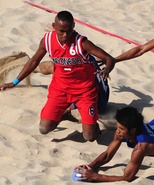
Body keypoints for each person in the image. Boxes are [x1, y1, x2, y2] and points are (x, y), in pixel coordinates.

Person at [0, 11, 115, 142]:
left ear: (74, 26)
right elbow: (33, 61)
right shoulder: (47, 41)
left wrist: (107, 69)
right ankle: (65, 114)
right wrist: (14, 82)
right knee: (44, 129)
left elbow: (109, 58)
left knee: (90, 137)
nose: (65, 35)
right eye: (61, 31)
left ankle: (92, 125)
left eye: (69, 30)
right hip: (60, 89)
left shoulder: (82, 43)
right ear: (54, 26)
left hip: (84, 91)